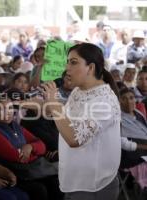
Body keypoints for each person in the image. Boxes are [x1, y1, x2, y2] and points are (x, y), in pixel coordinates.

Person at [41, 43, 121, 200]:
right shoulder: (79, 91)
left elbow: (74, 138)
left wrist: (53, 102)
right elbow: (67, 117)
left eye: (73, 62)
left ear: (90, 68)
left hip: (92, 185)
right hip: (74, 179)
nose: (67, 68)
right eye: (67, 62)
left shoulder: (104, 101)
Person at [0, 97, 63, 200]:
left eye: (10, 108)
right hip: (15, 173)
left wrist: (30, 146)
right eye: (2, 109)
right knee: (39, 189)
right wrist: (35, 153)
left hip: (31, 169)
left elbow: (42, 146)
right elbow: (16, 156)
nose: (8, 112)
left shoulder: (15, 126)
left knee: (55, 182)